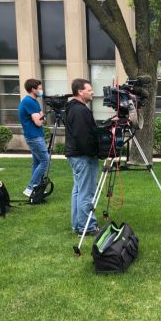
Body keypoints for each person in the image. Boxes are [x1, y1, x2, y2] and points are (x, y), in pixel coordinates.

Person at [65, 78, 100, 236]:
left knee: (79, 191)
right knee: (86, 193)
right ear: (80, 91)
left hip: (76, 156)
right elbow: (83, 137)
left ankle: (78, 225)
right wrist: (95, 152)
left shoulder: (74, 108)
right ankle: (88, 227)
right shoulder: (80, 111)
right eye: (89, 89)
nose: (92, 92)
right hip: (83, 157)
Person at [18, 78, 49, 197]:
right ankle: (30, 187)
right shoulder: (29, 102)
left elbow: (42, 119)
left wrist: (41, 118)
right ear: (33, 89)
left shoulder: (34, 101)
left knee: (37, 163)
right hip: (34, 136)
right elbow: (39, 122)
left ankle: (37, 188)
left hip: (36, 135)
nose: (41, 90)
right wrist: (41, 118)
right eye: (39, 88)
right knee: (45, 161)